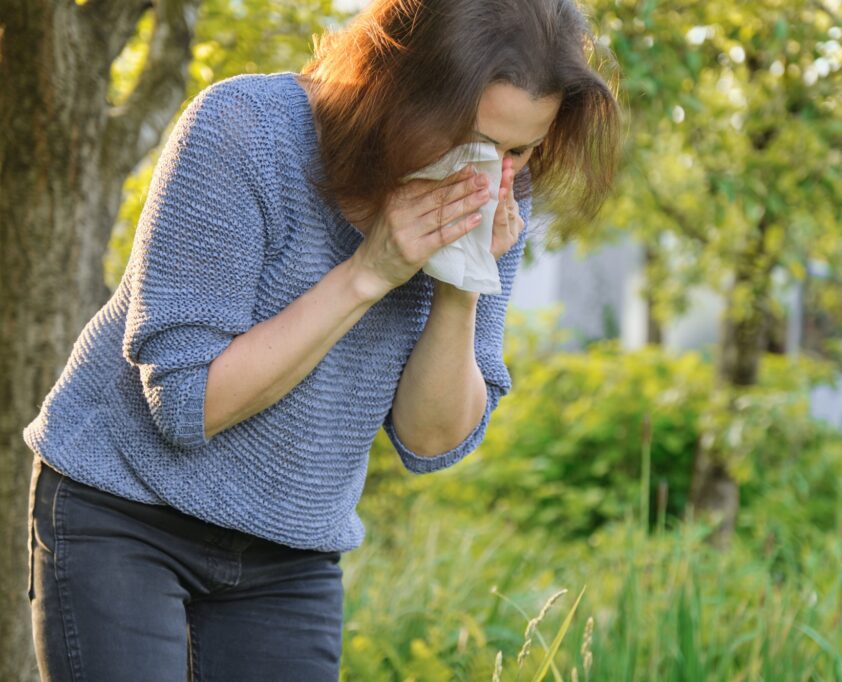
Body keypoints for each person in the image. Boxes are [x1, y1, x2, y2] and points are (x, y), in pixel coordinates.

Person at [22, 0, 619, 679]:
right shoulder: (245, 128)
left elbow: (433, 440)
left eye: (520, 150)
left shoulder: (497, 195)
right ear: (405, 94)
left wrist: (461, 286)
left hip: (290, 547)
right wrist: (371, 271)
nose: (493, 175)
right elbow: (188, 405)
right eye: (477, 142)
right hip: (124, 514)